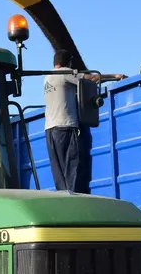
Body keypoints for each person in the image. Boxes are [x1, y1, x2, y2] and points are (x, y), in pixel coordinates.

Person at [43, 49, 126, 193]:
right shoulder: (64, 73)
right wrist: (114, 76)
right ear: (68, 63)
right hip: (66, 127)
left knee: (60, 177)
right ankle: (74, 205)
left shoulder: (47, 78)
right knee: (73, 171)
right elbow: (90, 79)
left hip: (50, 130)